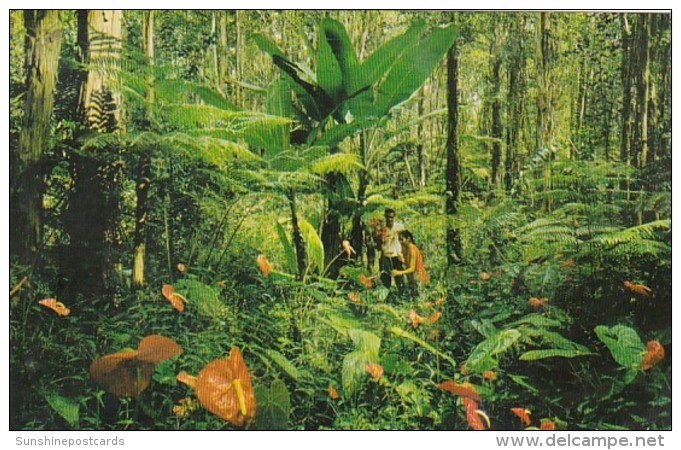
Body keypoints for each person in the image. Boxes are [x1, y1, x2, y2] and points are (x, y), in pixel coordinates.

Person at [392, 230, 429, 298]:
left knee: (419, 298)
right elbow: (407, 264)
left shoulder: (412, 249)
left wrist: (399, 272)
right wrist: (402, 260)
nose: (400, 242)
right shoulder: (404, 248)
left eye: (402, 239)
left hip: (418, 277)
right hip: (412, 278)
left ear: (408, 239)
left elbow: (412, 268)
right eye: (399, 240)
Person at [379, 208, 405, 290]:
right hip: (386, 256)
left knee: (399, 278)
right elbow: (378, 244)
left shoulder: (399, 227)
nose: (390, 219)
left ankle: (401, 296)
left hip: (397, 256)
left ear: (394, 217)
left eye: (391, 217)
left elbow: (405, 241)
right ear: (385, 217)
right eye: (388, 217)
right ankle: (386, 297)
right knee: (386, 278)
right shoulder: (382, 229)